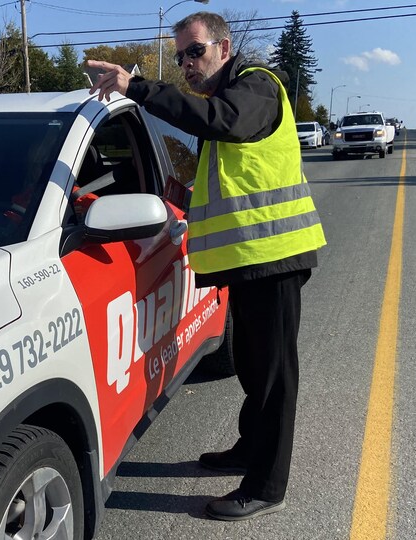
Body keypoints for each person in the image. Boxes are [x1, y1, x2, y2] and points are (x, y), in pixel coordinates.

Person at [87, 11, 326, 522]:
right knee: (251, 365)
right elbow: (225, 174)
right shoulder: (225, 98)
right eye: (180, 58)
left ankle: (266, 484)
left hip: (274, 256)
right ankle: (249, 448)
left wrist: (143, 87)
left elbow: (226, 124)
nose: (187, 64)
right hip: (247, 257)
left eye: (194, 52)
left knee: (274, 374)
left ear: (224, 45)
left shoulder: (256, 86)